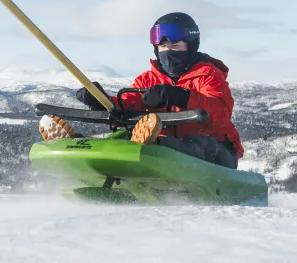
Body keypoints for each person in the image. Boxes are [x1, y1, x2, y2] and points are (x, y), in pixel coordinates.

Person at [39, 12, 244, 169]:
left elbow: (220, 112)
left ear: (190, 45)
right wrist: (101, 100)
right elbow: (129, 103)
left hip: (217, 154)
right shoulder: (148, 79)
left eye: (175, 45)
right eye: (163, 46)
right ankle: (76, 144)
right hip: (162, 148)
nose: (168, 51)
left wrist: (180, 96)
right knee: (124, 135)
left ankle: (152, 147)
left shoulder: (209, 75)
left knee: (199, 142)